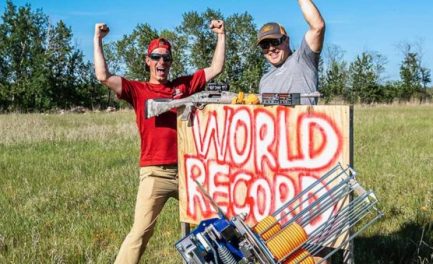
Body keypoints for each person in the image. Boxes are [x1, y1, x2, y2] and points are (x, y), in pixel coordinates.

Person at [93, 20, 225, 264]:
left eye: (166, 58)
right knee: (141, 232)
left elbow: (216, 67)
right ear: (147, 61)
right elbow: (103, 75)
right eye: (156, 57)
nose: (161, 62)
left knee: (215, 225)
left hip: (189, 172)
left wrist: (221, 35)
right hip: (155, 173)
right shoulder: (137, 90)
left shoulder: (183, 86)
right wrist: (98, 39)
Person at [257, 0, 325, 105]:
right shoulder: (264, 80)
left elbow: (317, 27)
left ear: (287, 41)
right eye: (265, 45)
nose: (271, 49)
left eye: (275, 42)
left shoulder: (303, 59)